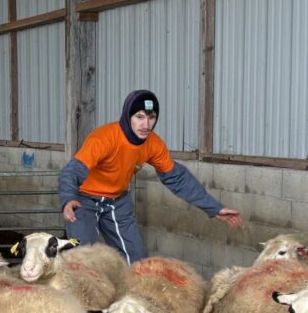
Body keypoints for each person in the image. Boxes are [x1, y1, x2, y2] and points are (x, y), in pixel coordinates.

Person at [59, 89, 243, 263]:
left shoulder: (153, 144)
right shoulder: (103, 138)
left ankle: (132, 296)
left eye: (151, 117)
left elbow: (178, 179)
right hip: (83, 201)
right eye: (139, 117)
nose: (146, 125)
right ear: (127, 116)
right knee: (81, 257)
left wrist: (214, 207)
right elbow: (71, 171)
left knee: (137, 259)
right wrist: (68, 199)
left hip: (117, 201)